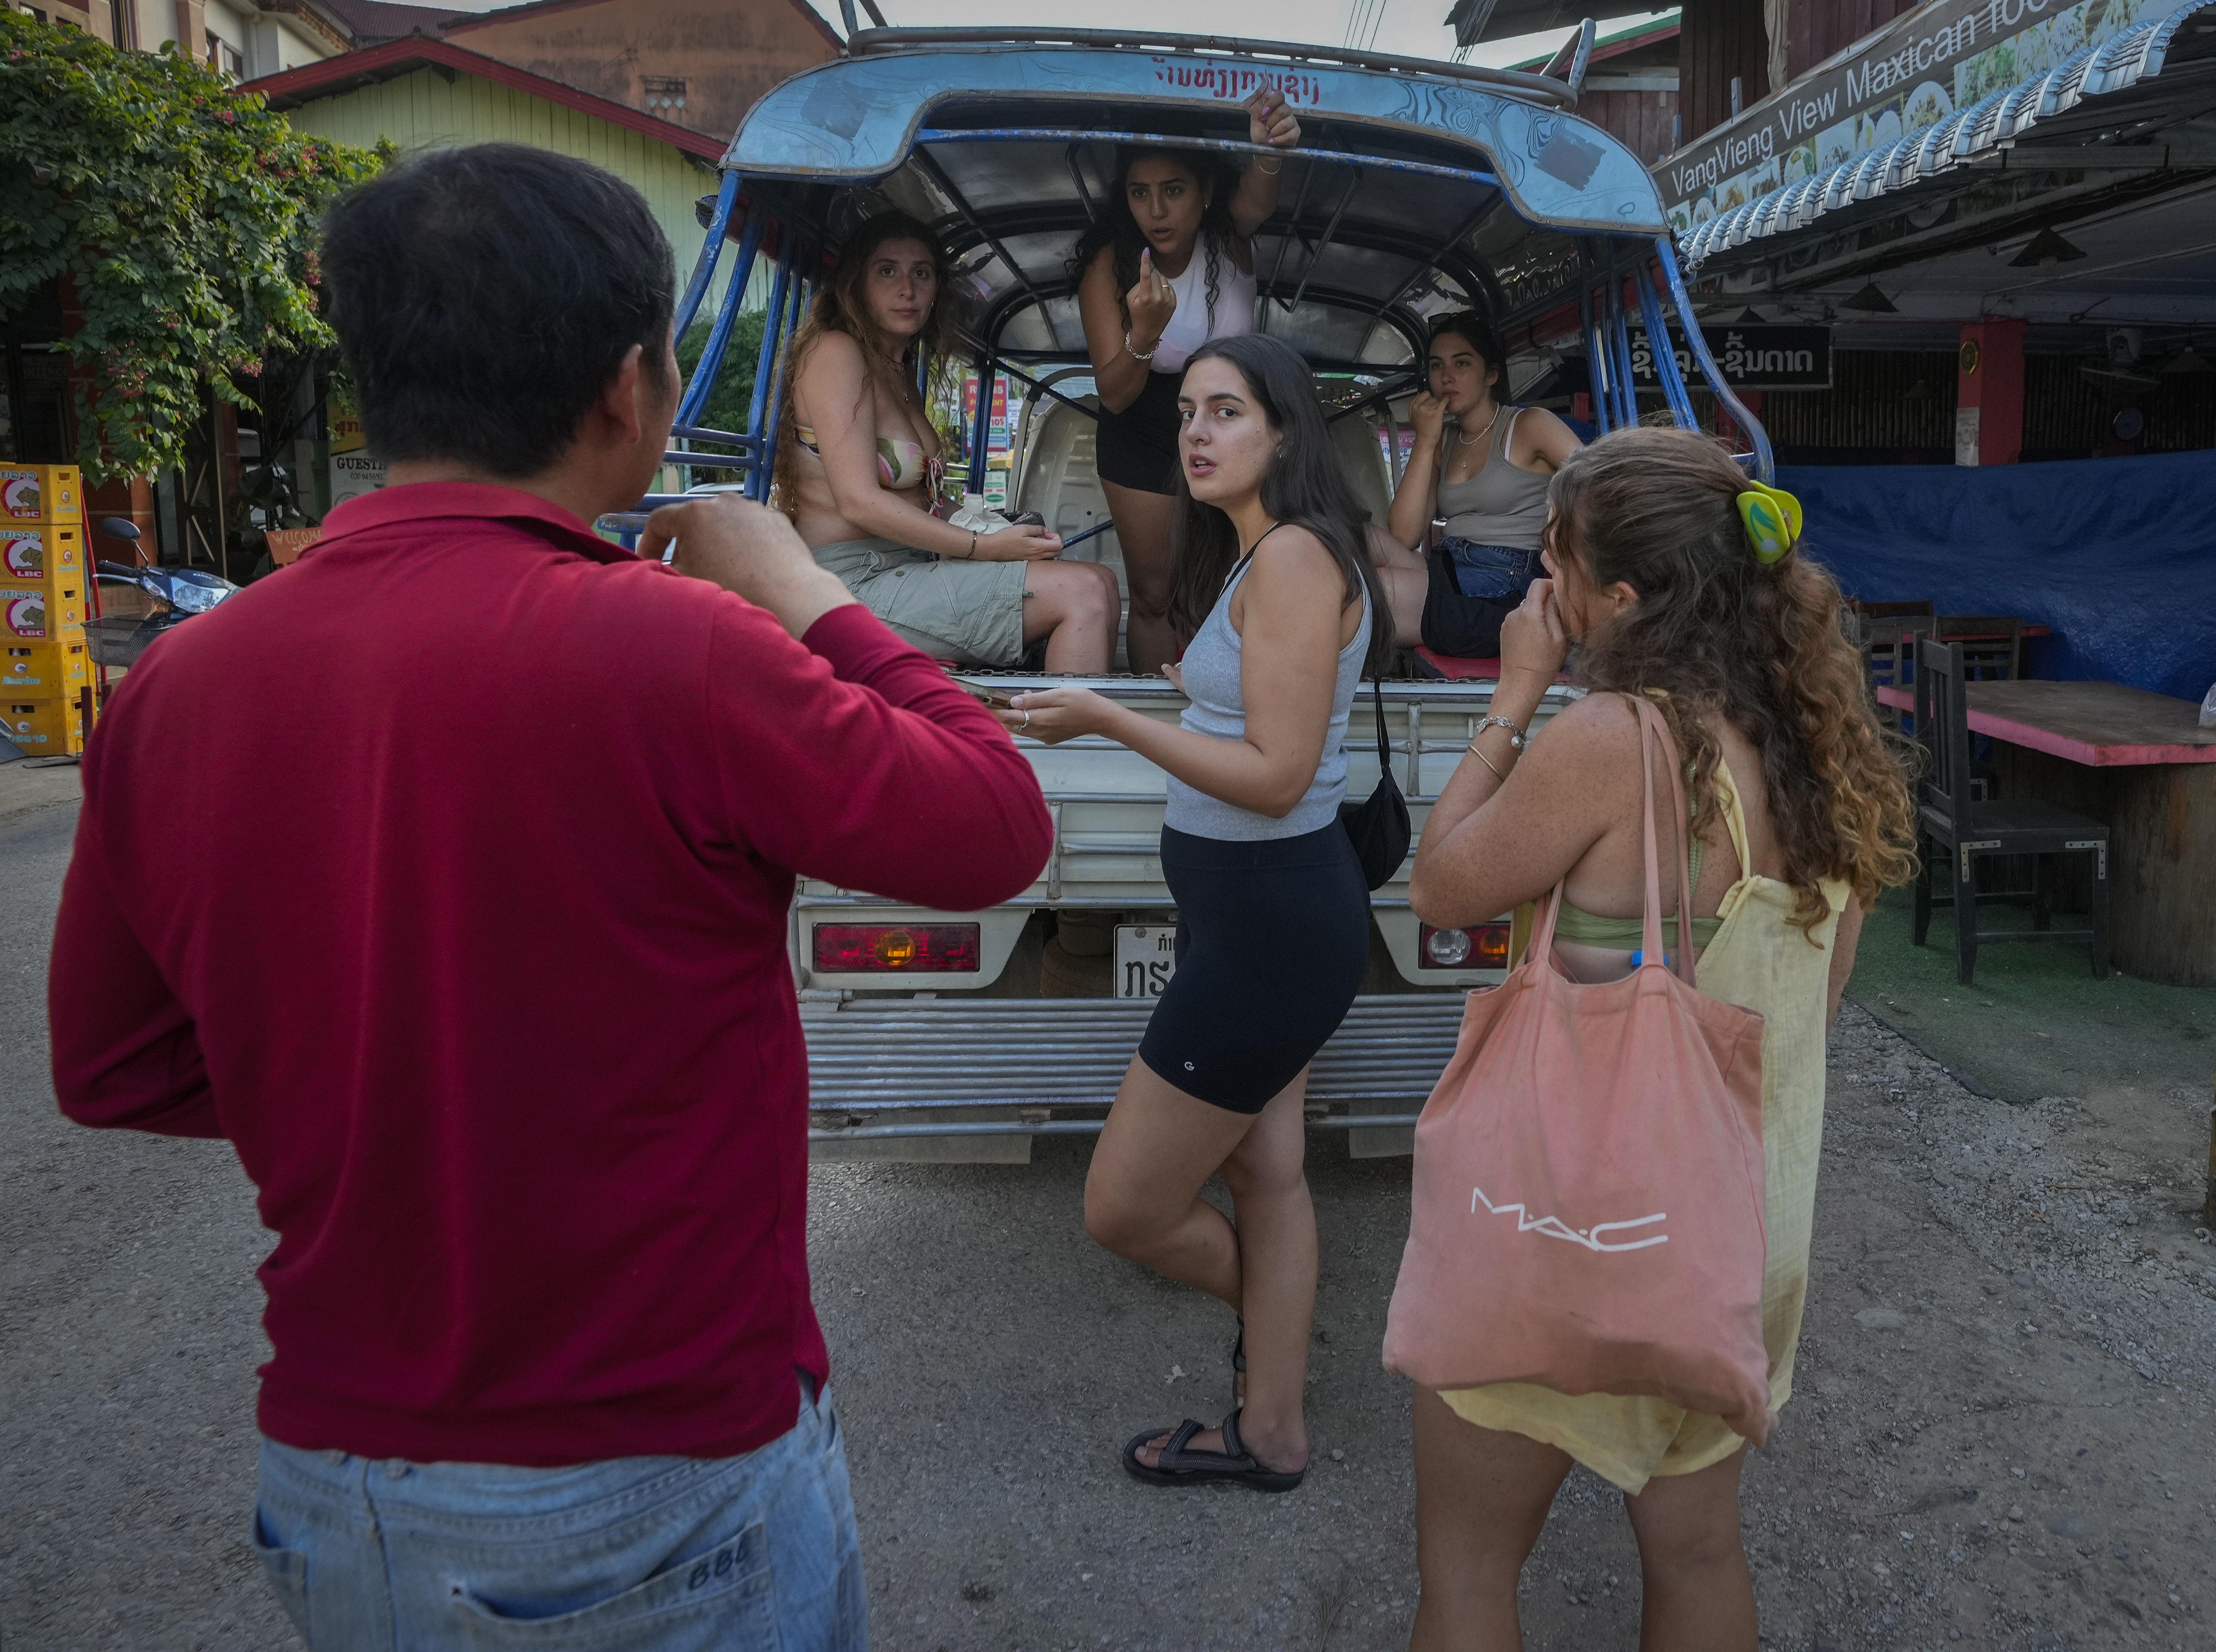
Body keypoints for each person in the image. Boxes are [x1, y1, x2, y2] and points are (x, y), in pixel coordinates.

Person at [48, 143, 1056, 1650]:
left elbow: (116, 1065)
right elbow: (993, 821)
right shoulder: (679, 649)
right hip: (663, 1483)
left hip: (343, 1487)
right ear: (623, 393)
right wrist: (805, 592)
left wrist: (380, 1073)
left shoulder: (177, 681)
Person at [1401, 428, 1915, 1652]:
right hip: (1733, 1235)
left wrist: (1516, 696)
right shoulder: (1815, 755)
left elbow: (1442, 886)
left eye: (1557, 561)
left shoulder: (1615, 740)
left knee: (1469, 1567)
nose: (1543, 588)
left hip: (1572, 1232)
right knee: (1695, 1549)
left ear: (1619, 600)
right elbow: (1810, 1004)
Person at [1004, 332, 1388, 1494]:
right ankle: (1271, 1426)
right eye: (1187, 414)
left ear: (1284, 432)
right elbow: (1262, 710)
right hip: (1263, 919)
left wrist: (1108, 718)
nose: (1196, 433)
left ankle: (1274, 1333)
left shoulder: (1290, 563)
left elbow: (1275, 773)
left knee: (1124, 1205)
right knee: (1269, 1175)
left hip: (1271, 929)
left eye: (1227, 412)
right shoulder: (1270, 555)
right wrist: (1197, 685)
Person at [781, 208, 1120, 672]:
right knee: (1083, 595)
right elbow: (858, 502)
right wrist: (984, 548)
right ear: (855, 283)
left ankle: (1074, 735)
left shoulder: (898, 373)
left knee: (1101, 579)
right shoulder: (835, 352)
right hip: (850, 585)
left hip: (904, 569)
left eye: (922, 273)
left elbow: (925, 501)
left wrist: (1002, 531)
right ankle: (1065, 744)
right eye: (887, 272)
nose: (908, 289)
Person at [1073, 90, 1299, 670]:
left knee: (1231, 587)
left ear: (1204, 191)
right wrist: (1144, 333)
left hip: (1235, 422)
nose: (1157, 210)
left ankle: (1231, 723)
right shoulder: (1109, 262)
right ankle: (1160, 732)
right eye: (1140, 193)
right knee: (1154, 598)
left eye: (1173, 190)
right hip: (1142, 427)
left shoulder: (1231, 233)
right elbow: (1115, 394)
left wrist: (1269, 149)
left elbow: (1259, 194)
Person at [1384, 313, 1579, 657]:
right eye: (1436, 366)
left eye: (1461, 363)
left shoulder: (1529, 425)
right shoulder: (1443, 440)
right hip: (1452, 567)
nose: (1446, 377)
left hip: (1507, 583)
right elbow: (1403, 534)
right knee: (1353, 540)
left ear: (1491, 374)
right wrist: (1426, 439)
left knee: (1364, 589)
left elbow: (1604, 482)